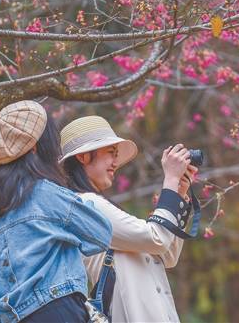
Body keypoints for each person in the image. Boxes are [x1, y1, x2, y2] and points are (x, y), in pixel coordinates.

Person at [0, 101, 113, 323]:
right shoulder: (46, 194)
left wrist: (2, 282)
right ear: (36, 147)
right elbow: (100, 232)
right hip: (57, 311)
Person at [60, 115, 197, 323]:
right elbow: (156, 239)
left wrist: (178, 192)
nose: (115, 163)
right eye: (110, 153)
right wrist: (169, 180)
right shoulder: (86, 204)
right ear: (83, 157)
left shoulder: (97, 204)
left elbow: (167, 255)